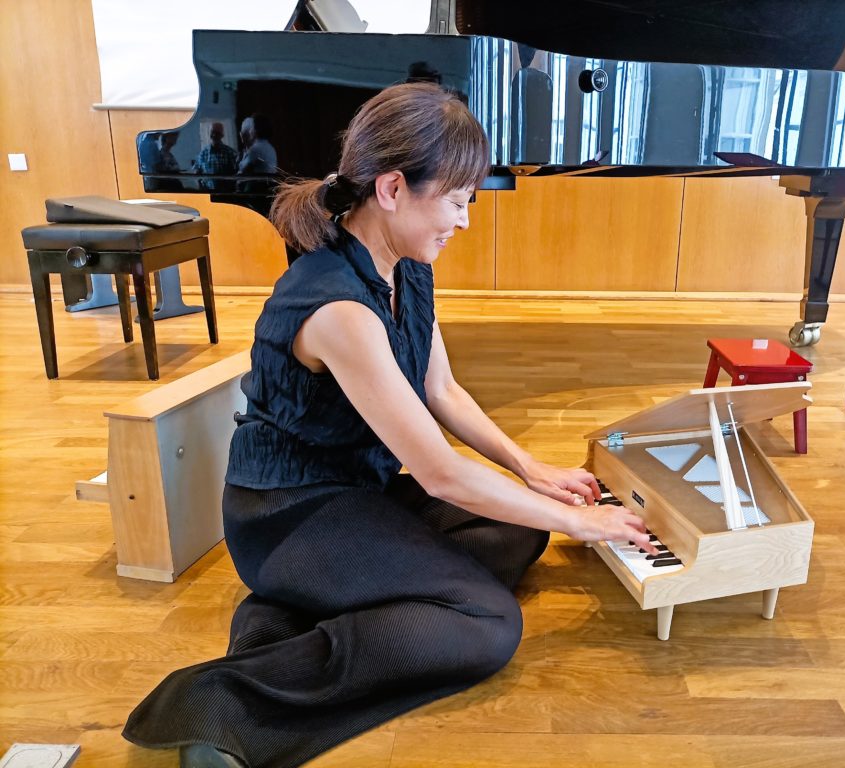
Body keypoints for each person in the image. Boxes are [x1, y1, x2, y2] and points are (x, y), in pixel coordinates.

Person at [122, 82, 655, 768]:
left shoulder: (405, 264)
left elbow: (442, 389)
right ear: (395, 188)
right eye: (458, 202)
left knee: (522, 525)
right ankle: (227, 703)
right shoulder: (336, 305)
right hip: (288, 516)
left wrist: (533, 470)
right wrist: (586, 523)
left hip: (358, 493)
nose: (464, 221)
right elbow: (437, 469)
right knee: (489, 624)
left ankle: (283, 614)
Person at [193, 121, 239, 191]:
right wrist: (201, 187)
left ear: (222, 135)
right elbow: (196, 173)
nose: (214, 135)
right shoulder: (203, 154)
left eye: (217, 133)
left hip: (226, 193)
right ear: (209, 133)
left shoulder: (230, 153)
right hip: (207, 194)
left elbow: (236, 174)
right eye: (212, 132)